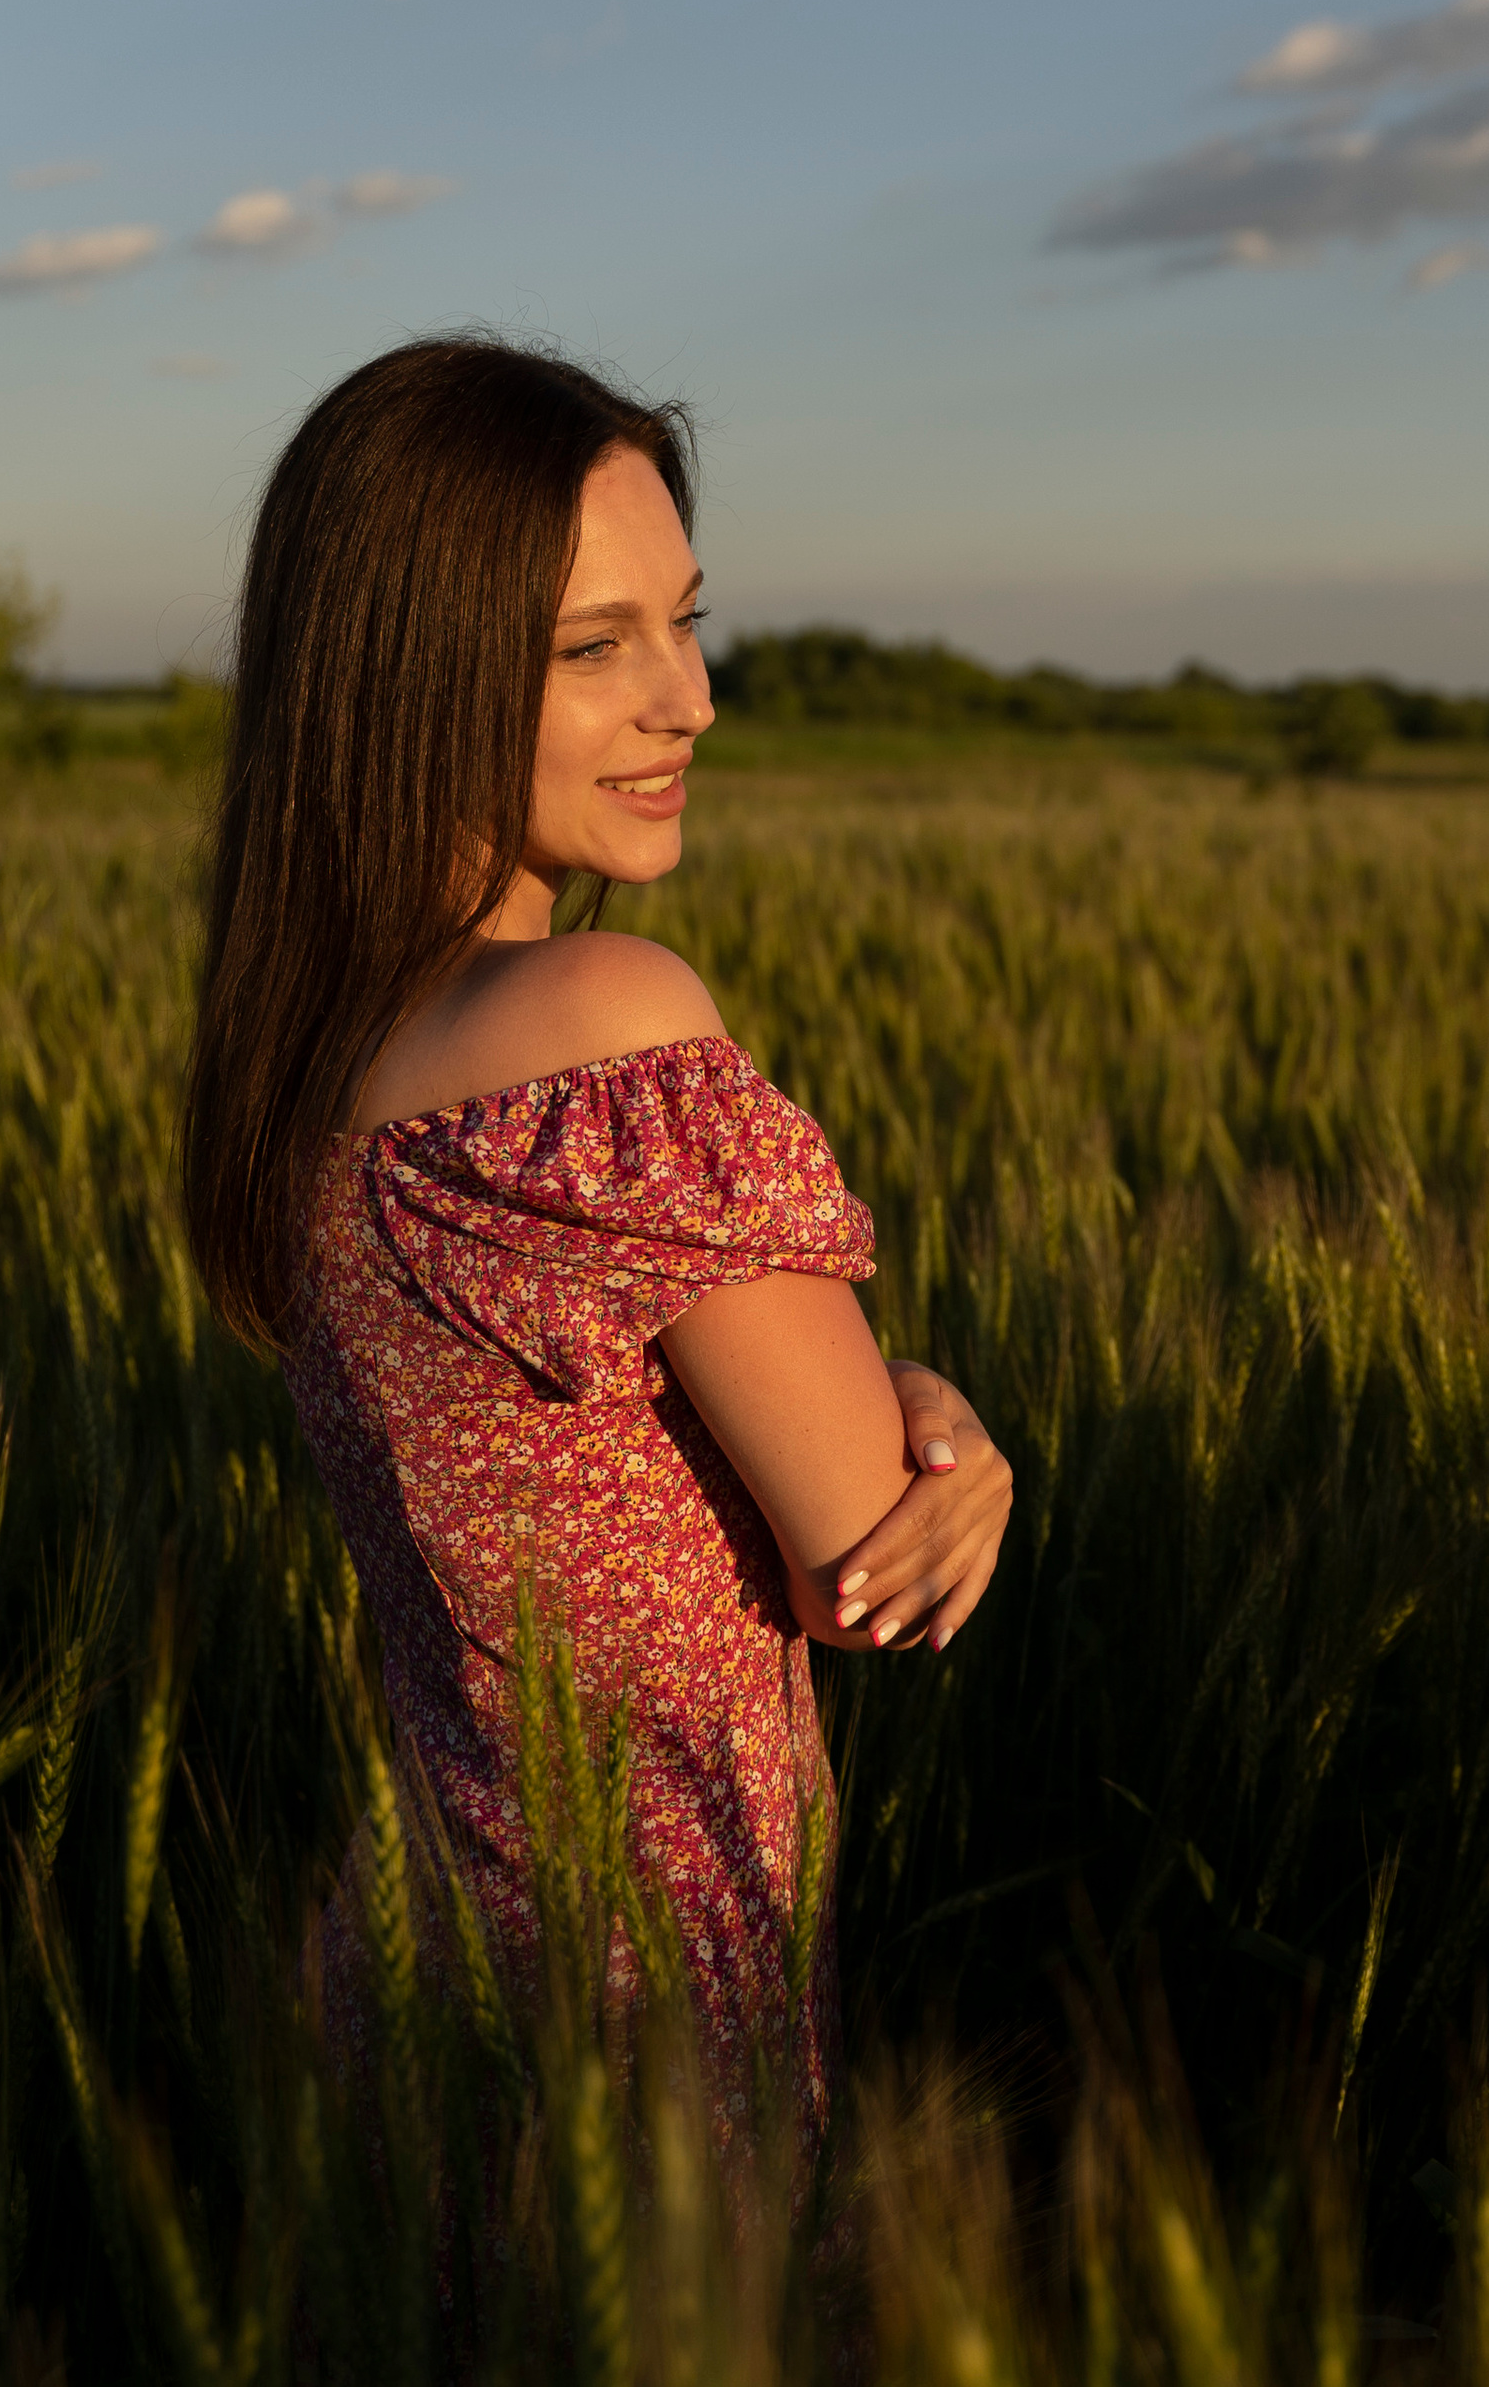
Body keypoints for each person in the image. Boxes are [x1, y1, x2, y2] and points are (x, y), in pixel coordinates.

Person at [180, 336, 1013, 2140]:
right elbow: (866, 1566)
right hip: (642, 2004)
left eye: (687, 623)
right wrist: (954, 1431)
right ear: (409, 674)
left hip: (416, 1969)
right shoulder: (602, 1024)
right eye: (594, 648)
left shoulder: (306, 1056)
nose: (690, 701)